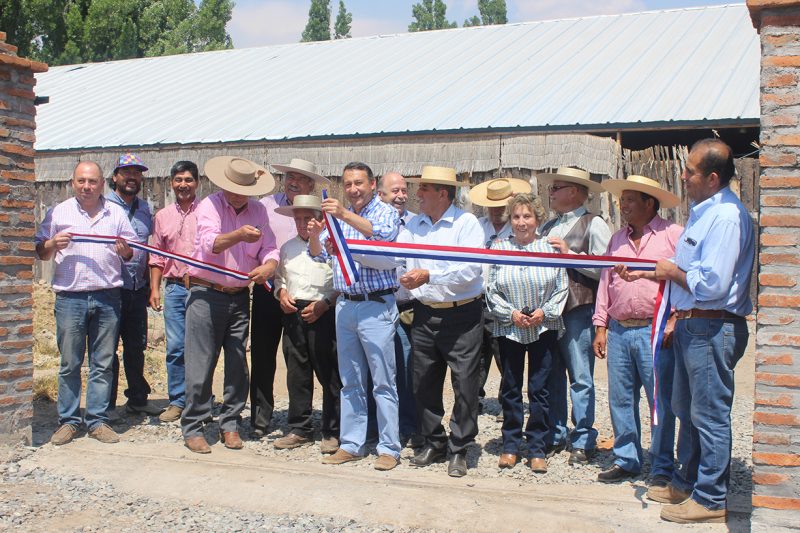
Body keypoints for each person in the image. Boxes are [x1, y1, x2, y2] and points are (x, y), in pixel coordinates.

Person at [617, 139, 754, 524]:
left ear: (712, 178)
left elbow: (711, 283)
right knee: (686, 410)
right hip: (694, 324)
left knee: (708, 415)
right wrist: (648, 271)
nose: (683, 175)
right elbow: (684, 266)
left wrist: (671, 272)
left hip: (712, 325)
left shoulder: (726, 217)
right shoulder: (703, 213)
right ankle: (686, 482)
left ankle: (711, 498)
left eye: (690, 171)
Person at [181, 157, 279, 454]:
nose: (238, 195)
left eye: (243, 190)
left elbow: (270, 246)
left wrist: (269, 266)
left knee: (237, 363)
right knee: (200, 362)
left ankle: (230, 423)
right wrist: (238, 234)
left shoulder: (259, 210)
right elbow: (209, 243)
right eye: (233, 189)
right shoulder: (210, 205)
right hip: (206, 293)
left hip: (238, 296)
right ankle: (194, 426)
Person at [308, 162, 402, 471]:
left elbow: (385, 236)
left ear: (373, 184)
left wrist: (344, 215)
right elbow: (320, 253)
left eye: (359, 183)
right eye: (348, 184)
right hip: (346, 304)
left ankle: (389, 447)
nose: (353, 189)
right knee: (350, 380)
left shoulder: (383, 211)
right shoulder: (338, 219)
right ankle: (351, 443)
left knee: (383, 381)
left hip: (376, 305)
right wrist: (315, 235)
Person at [35, 161, 136, 445]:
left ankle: (97, 421)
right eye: (81, 181)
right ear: (73, 183)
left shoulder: (115, 213)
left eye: (92, 181)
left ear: (102, 184)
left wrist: (125, 250)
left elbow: (130, 254)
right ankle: (68, 421)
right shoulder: (59, 212)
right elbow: (40, 252)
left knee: (102, 363)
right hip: (71, 298)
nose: (87, 187)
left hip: (107, 297)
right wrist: (53, 243)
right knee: (70, 363)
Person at [591, 175, 683, 484]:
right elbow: (606, 282)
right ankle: (627, 459)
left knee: (659, 399)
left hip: (653, 330)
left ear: (648, 202)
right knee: (620, 399)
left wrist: (675, 319)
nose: (623, 205)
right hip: (619, 330)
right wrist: (600, 326)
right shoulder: (617, 239)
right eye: (622, 200)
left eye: (630, 200)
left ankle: (661, 466)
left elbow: (685, 279)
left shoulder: (673, 235)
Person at [398, 166, 484, 478]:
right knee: (423, 381)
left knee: (465, 384)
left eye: (424, 190)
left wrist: (429, 274)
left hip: (462, 315)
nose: (417, 195)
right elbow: (401, 260)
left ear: (442, 193)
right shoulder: (413, 226)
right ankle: (434, 440)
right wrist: (405, 276)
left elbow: (471, 269)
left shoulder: (466, 223)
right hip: (425, 313)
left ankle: (459, 447)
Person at [486, 193, 567, 473]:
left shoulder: (550, 248)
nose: (521, 222)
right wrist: (511, 314)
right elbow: (491, 288)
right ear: (510, 220)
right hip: (510, 328)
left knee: (540, 389)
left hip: (543, 327)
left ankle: (536, 447)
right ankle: (510, 444)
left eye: (527, 216)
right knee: (510, 388)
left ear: (538, 219)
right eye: (517, 217)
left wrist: (545, 312)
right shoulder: (498, 247)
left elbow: (561, 286)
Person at [536, 167, 612, 465]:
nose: (551, 193)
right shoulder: (548, 226)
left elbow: (604, 269)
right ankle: (556, 433)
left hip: (578, 309)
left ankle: (582, 438)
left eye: (557, 188)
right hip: (550, 311)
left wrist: (570, 254)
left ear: (575, 192)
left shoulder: (594, 224)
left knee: (580, 376)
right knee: (552, 375)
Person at [249, 158, 328, 437]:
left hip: (306, 295)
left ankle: (320, 419)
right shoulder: (266, 204)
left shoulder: (319, 209)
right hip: (270, 287)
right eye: (289, 177)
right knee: (262, 353)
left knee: (307, 359)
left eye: (299, 177)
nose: (292, 181)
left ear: (311, 183)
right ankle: (260, 418)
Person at [272, 195, 342, 454]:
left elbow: (342, 281)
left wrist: (325, 303)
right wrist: (281, 294)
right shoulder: (287, 247)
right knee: (297, 373)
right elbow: (280, 278)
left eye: (308, 218)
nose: (303, 223)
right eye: (298, 219)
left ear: (320, 220)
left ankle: (332, 430)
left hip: (322, 311)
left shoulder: (331, 247)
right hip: (294, 312)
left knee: (329, 373)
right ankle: (299, 427)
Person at [469, 177, 531, 420]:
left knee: (504, 353)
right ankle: (474, 400)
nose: (496, 212)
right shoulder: (477, 226)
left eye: (502, 207)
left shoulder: (518, 230)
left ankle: (509, 402)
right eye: (492, 207)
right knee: (476, 353)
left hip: (505, 300)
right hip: (478, 297)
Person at [106, 153, 160, 416]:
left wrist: (152, 286)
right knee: (107, 349)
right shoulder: (103, 207)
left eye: (137, 173)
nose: (132, 177)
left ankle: (137, 399)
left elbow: (149, 250)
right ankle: (107, 405)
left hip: (137, 289)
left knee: (136, 347)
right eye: (126, 172)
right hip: (110, 289)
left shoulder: (144, 209)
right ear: (115, 176)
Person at [148, 161, 200, 423]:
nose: (183, 185)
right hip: (175, 289)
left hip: (202, 289)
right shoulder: (162, 216)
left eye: (188, 180)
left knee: (202, 348)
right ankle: (178, 400)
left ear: (197, 183)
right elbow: (157, 256)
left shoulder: (208, 213)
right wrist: (155, 288)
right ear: (171, 183)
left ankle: (200, 401)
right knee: (176, 347)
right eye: (178, 180)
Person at [378, 171, 418, 445]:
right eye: (394, 191)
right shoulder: (370, 224)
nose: (401, 196)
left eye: (404, 190)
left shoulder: (416, 224)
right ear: (380, 194)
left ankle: (410, 426)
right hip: (379, 305)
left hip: (410, 306)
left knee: (409, 368)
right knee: (380, 370)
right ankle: (380, 426)